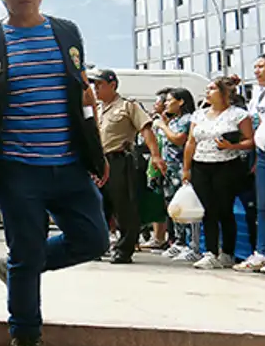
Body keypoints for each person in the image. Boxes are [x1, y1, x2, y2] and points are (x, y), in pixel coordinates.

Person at [0, 0, 109, 346]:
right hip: (17, 168)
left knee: (94, 239)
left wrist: (95, 151)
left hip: (69, 164)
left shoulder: (66, 33)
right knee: (26, 255)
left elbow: (80, 95)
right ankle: (25, 341)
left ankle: (14, 268)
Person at [91, 69, 165, 263]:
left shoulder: (128, 106)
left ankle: (124, 249)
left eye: (100, 84)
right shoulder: (97, 109)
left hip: (119, 160)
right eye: (94, 85)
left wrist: (156, 155)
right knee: (98, 205)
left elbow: (146, 129)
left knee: (123, 205)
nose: (95, 88)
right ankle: (97, 246)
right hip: (98, 162)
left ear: (112, 85)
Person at [182, 77, 254, 269]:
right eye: (207, 89)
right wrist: (186, 168)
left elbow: (250, 140)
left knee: (224, 209)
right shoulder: (198, 115)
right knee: (207, 209)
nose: (208, 92)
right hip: (201, 164)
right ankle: (210, 251)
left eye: (212, 89)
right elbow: (191, 142)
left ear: (224, 93)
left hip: (226, 165)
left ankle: (227, 252)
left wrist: (233, 145)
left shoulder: (238, 115)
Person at [237, 54, 265, 274]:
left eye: (261, 66)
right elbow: (259, 123)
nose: (256, 71)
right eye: (255, 66)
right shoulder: (261, 95)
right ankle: (263, 251)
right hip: (264, 155)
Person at [153, 88, 199, 262]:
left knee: (187, 206)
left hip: (182, 167)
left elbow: (179, 139)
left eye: (169, 100)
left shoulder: (188, 120)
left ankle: (192, 244)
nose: (166, 103)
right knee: (174, 206)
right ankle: (179, 242)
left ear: (180, 102)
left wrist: (163, 126)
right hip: (169, 169)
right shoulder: (173, 120)